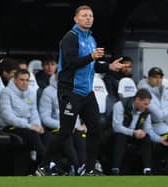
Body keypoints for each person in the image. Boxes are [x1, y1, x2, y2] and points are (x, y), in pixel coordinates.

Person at [57, 5, 126, 176]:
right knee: (65, 132)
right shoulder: (70, 38)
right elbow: (70, 63)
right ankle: (43, 167)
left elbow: (92, 65)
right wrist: (91, 57)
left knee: (96, 129)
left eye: (90, 15)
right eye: (84, 15)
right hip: (71, 91)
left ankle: (89, 169)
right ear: (76, 19)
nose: (88, 18)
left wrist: (109, 66)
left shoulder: (91, 39)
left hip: (87, 92)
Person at [0, 69, 64, 176]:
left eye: (27, 80)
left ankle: (42, 168)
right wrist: (30, 126)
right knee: (33, 135)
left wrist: (37, 125)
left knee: (47, 135)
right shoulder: (6, 92)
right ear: (15, 80)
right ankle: (48, 165)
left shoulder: (31, 93)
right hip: (10, 127)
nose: (25, 83)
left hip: (27, 127)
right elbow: (8, 117)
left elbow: (34, 113)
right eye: (22, 80)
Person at [39, 75, 87, 175]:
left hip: (73, 127)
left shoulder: (74, 91)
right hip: (55, 128)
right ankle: (77, 167)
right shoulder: (48, 91)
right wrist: (66, 125)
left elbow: (77, 113)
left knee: (80, 137)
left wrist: (83, 125)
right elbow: (45, 118)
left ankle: (83, 167)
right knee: (67, 136)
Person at [111, 89, 160, 175]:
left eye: (148, 104)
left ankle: (147, 170)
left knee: (146, 137)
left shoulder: (146, 112)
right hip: (117, 135)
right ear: (137, 100)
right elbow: (117, 127)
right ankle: (115, 170)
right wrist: (133, 132)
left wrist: (161, 140)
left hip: (135, 135)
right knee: (120, 136)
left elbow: (148, 130)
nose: (147, 106)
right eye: (145, 104)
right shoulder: (120, 105)